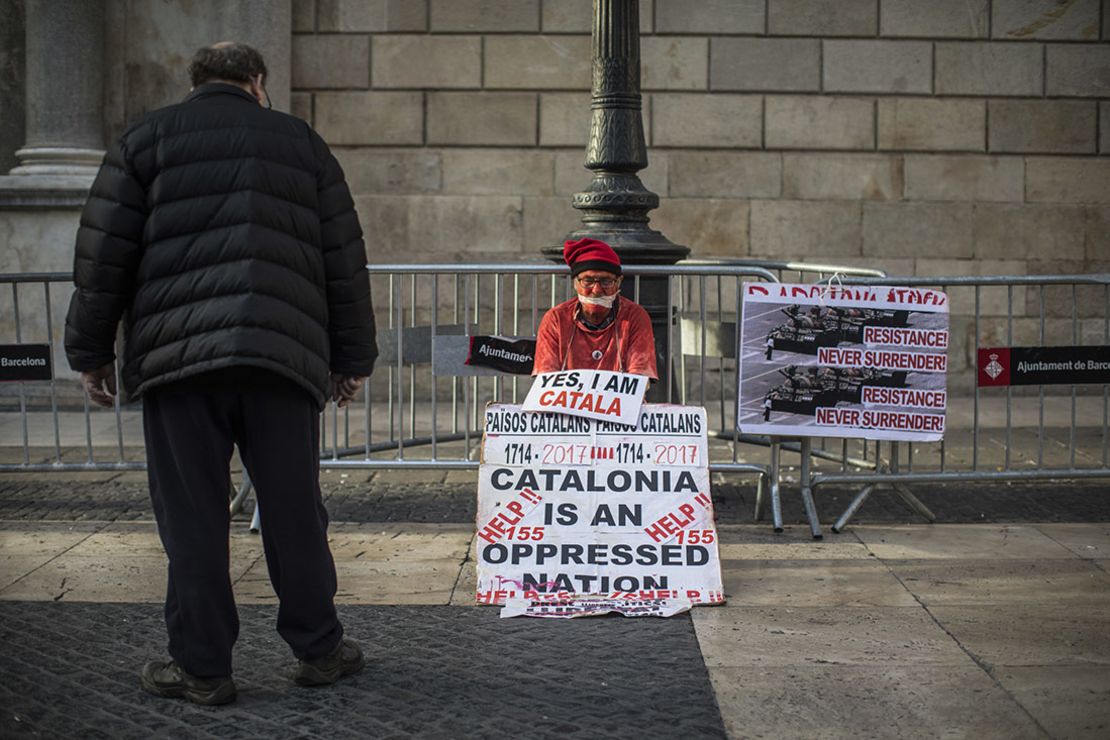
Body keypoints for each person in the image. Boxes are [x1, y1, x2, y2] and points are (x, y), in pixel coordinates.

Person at [63, 42, 377, 706]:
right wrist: (352, 360)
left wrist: (90, 354)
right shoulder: (301, 143)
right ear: (257, 83)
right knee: (294, 510)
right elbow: (343, 260)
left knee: (194, 518)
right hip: (281, 361)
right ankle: (319, 648)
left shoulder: (146, 139)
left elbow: (102, 257)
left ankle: (203, 668)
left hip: (181, 365)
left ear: (196, 82)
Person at [532, 238, 657, 379]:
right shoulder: (556, 319)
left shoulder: (635, 316)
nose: (597, 290)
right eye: (588, 281)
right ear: (575, 283)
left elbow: (640, 378)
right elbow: (545, 378)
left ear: (619, 282)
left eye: (606, 281)